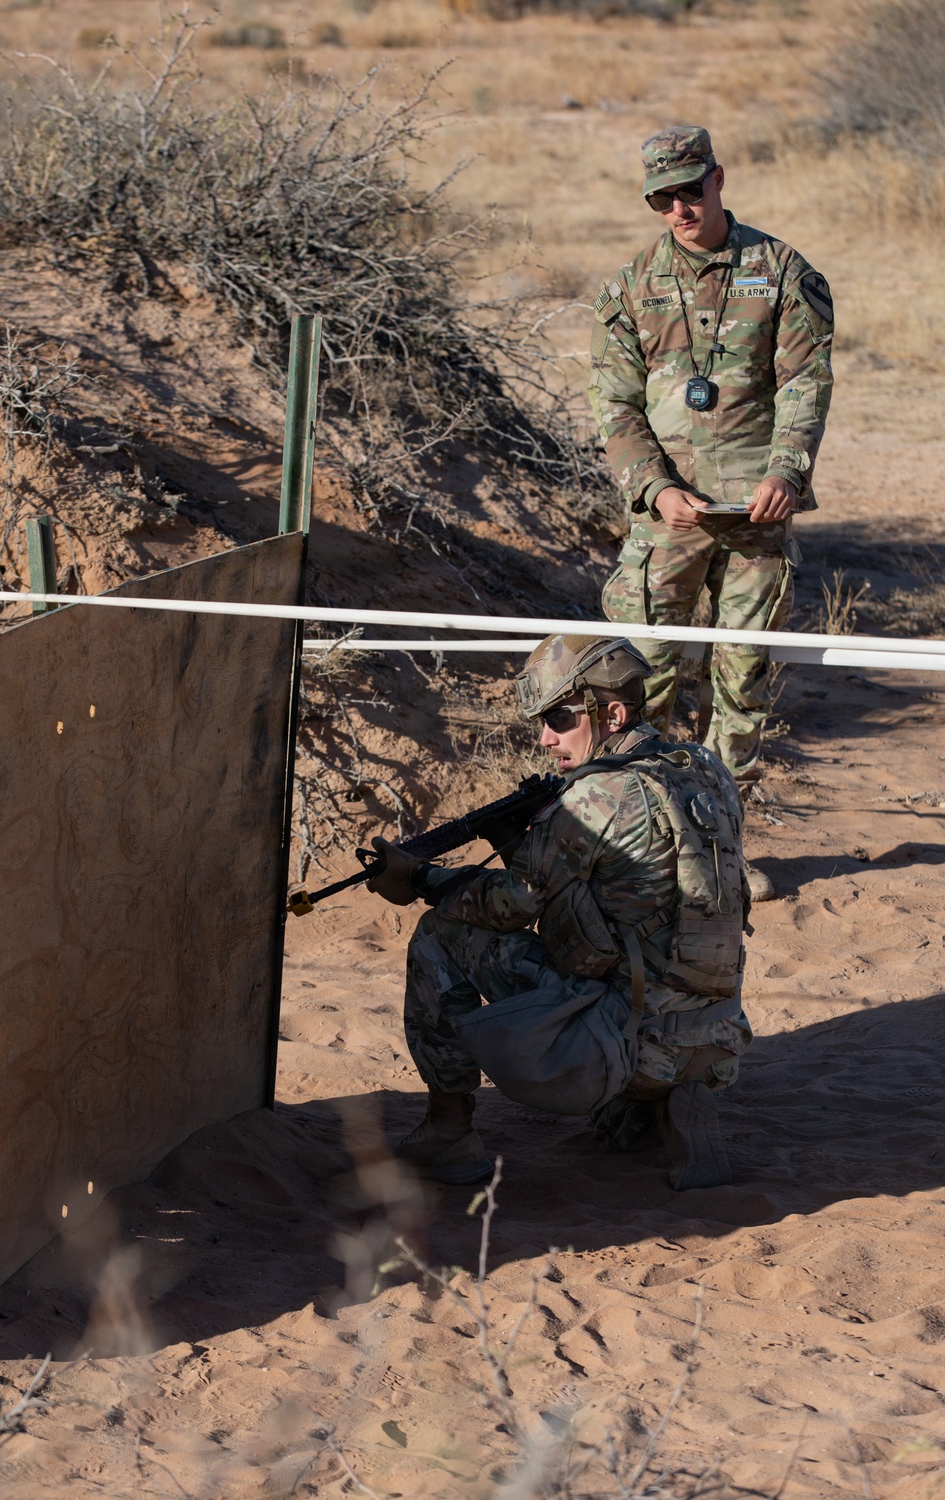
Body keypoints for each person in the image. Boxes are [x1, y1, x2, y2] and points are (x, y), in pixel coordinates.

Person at [367, 634, 752, 1192]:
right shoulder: (704, 769)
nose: (546, 737)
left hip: (623, 1044)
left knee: (438, 934)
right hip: (716, 1041)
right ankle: (656, 1106)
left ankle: (448, 1137)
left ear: (612, 713)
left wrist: (424, 879)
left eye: (560, 718)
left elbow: (510, 905)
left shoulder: (596, 797)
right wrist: (523, 840)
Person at [588, 125, 835, 902]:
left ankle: (721, 848)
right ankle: (649, 847)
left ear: (718, 179)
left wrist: (787, 472)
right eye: (663, 198)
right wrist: (656, 489)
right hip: (668, 519)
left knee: (741, 680)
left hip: (756, 512)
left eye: (691, 190)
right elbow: (615, 406)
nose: (680, 208)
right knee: (644, 678)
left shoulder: (783, 271)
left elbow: (805, 382)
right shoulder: (630, 287)